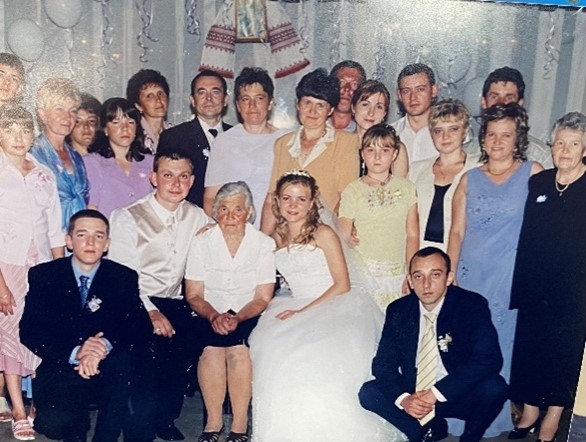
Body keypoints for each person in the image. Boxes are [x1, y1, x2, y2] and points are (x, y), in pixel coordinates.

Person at [249, 170, 402, 441]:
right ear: (278, 202)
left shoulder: (323, 233)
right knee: (268, 345)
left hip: (335, 302)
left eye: (301, 199)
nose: (293, 206)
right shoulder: (276, 237)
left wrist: (301, 313)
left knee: (320, 357)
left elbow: (342, 284)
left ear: (311, 202)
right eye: (287, 198)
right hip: (294, 300)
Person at [447, 103, 543, 437]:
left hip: (510, 274)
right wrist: (452, 273)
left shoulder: (533, 172)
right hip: (472, 273)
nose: (498, 142)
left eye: (506, 135)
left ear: (518, 139)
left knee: (502, 344)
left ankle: (497, 418)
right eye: (492, 135)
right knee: (469, 345)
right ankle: (460, 415)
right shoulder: (468, 179)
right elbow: (456, 231)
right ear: (483, 140)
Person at [20, 209, 148, 442]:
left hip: (108, 365)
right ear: (68, 241)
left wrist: (103, 346)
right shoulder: (45, 275)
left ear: (107, 244)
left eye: (99, 236)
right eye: (82, 235)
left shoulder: (123, 277)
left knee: (125, 368)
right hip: (64, 363)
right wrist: (76, 352)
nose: (90, 242)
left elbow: (138, 326)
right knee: (55, 422)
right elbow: (30, 330)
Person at [108, 148, 209, 441]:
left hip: (177, 301)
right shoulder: (127, 217)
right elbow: (123, 277)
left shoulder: (197, 216)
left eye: (183, 176)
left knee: (182, 354)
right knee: (146, 362)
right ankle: (140, 426)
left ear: (191, 181)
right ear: (154, 178)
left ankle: (165, 418)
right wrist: (150, 311)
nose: (176, 183)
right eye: (167, 175)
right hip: (138, 301)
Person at [359, 247, 508, 442]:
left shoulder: (470, 305)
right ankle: (423, 432)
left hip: (454, 390)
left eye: (435, 275)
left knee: (494, 387)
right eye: (418, 277)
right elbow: (383, 365)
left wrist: (436, 393)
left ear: (449, 277)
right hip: (417, 393)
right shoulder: (399, 310)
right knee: (369, 392)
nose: (426, 284)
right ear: (410, 281)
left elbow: (489, 360)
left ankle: (470, 438)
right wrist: (405, 400)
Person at [508, 112, 586, 442]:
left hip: (574, 290)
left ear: (585, 148)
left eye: (574, 144)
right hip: (535, 284)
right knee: (529, 349)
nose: (564, 150)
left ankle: (552, 418)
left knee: (562, 354)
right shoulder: (539, 182)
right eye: (559, 143)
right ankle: (530, 411)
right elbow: (526, 236)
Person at [185, 182, 275, 442]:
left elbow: (262, 297)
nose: (230, 216)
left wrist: (238, 317)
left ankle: (239, 425)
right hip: (208, 311)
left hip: (247, 311)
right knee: (211, 350)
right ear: (215, 212)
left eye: (238, 209)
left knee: (239, 351)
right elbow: (193, 294)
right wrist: (214, 316)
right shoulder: (202, 241)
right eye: (223, 209)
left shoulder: (263, 243)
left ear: (249, 212)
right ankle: (213, 424)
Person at [0, 106, 64, 441]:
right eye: (10, 130)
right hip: (5, 267)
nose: (18, 137)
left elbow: (54, 230)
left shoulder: (43, 174)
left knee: (37, 334)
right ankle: (18, 411)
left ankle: (38, 402)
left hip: (39, 269)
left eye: (25, 130)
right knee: (11, 338)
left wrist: (60, 275)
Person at [260, 68, 359, 234]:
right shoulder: (282, 144)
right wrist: (264, 241)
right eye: (307, 103)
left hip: (325, 235)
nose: (312, 111)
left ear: (331, 110)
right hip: (285, 234)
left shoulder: (346, 142)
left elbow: (346, 200)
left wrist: (331, 236)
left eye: (320, 105)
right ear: (298, 105)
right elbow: (272, 199)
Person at [339, 124, 419, 309]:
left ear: (395, 154)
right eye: (370, 149)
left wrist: (411, 272)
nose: (377, 156)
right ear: (362, 154)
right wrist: (347, 237)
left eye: (384, 149)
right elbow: (343, 231)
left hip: (397, 272)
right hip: (364, 272)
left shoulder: (407, 188)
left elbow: (412, 235)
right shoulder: (353, 190)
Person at [204, 67, 289, 225]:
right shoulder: (224, 141)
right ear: (237, 105)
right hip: (234, 228)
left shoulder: (285, 139)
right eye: (245, 99)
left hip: (276, 231)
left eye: (259, 98)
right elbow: (210, 198)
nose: (252, 106)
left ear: (270, 103)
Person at [409, 99, 480, 251]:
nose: (445, 136)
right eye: (438, 131)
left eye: (453, 129)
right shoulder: (416, 170)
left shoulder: (478, 168)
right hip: (420, 254)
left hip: (461, 253)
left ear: (465, 131)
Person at [158, 70, 232, 207]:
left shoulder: (237, 136)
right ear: (192, 100)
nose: (209, 98)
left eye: (215, 92)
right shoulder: (174, 137)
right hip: (189, 220)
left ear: (226, 99)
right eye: (202, 92)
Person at [464, 66, 554, 169]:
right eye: (494, 96)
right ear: (483, 102)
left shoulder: (540, 155)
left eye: (509, 97)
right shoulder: (467, 152)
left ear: (520, 103)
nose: (501, 103)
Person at [30, 78, 89, 232]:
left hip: (77, 238)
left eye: (73, 110)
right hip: (47, 238)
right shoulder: (32, 153)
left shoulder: (76, 156)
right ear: (42, 115)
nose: (67, 117)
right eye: (59, 109)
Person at [84, 97, 153, 218]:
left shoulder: (150, 162)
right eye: (116, 122)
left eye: (130, 122)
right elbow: (92, 208)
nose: (125, 128)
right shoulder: (93, 162)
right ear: (105, 129)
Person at [352, 80, 409, 177]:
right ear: (353, 108)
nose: (371, 113)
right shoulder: (342, 144)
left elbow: (399, 190)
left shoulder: (396, 148)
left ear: (384, 114)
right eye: (365, 104)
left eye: (379, 107)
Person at [392, 63, 440, 164]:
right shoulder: (390, 134)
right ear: (399, 95)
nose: (413, 97)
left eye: (420, 89)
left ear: (434, 91)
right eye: (406, 91)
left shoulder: (448, 134)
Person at [126, 69, 172, 154]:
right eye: (149, 96)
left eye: (160, 94)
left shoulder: (177, 133)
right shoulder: (133, 135)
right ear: (138, 106)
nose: (158, 100)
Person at [329, 60, 366, 131]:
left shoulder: (364, 134)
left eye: (354, 84)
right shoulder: (315, 124)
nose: (347, 89)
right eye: (341, 82)